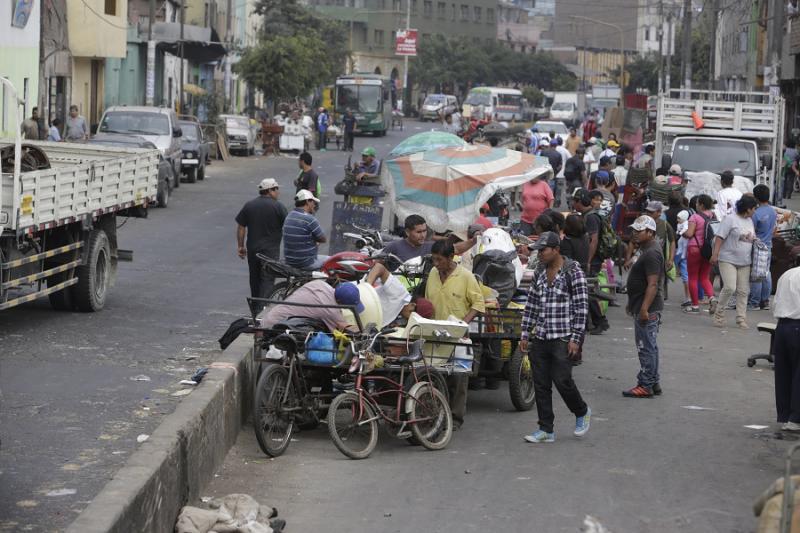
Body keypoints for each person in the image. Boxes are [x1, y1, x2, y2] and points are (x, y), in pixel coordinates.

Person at [519, 231, 590, 443]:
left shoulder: (573, 271)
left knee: (562, 380)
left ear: (556, 250)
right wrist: (525, 332)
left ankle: (581, 411)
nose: (539, 254)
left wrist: (576, 339)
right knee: (540, 383)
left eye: (543, 250)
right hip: (541, 336)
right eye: (538, 250)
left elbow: (581, 308)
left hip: (562, 337)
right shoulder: (540, 272)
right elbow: (532, 304)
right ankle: (546, 429)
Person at [425, 239, 486, 429]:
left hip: (459, 336)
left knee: (458, 379)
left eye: (439, 260)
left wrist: (462, 323)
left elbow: (478, 304)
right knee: (433, 376)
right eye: (433, 259)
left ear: (451, 258)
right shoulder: (433, 273)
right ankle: (434, 413)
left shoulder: (466, 276)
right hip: (435, 335)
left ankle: (455, 418)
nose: (436, 264)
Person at [623, 215, 664, 398]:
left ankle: (645, 384)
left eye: (639, 231)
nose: (635, 234)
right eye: (635, 230)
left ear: (650, 232)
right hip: (640, 304)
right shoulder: (645, 248)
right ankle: (652, 381)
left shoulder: (652, 253)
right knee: (649, 345)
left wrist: (644, 309)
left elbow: (653, 284)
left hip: (648, 307)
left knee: (645, 346)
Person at [235, 178, 288, 301]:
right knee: (268, 279)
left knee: (255, 279)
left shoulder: (249, 205)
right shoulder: (279, 207)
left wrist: (240, 246)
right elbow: (288, 226)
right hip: (270, 252)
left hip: (253, 250)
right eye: (276, 189)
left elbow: (241, 226)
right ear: (269, 190)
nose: (278, 192)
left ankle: (256, 306)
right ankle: (262, 309)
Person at [710, 195, 757, 329]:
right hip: (727, 259)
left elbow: (751, 236)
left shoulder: (750, 220)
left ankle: (741, 319)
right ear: (747, 209)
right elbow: (720, 237)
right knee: (730, 287)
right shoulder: (730, 219)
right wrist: (715, 254)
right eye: (754, 208)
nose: (755, 211)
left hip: (745, 261)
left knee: (743, 291)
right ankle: (719, 315)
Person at [571, 188, 609, 334]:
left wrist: (588, 260)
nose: (573, 204)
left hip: (592, 260)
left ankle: (600, 321)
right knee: (587, 291)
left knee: (588, 292)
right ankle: (591, 322)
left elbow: (594, 240)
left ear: (579, 202)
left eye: (575, 201)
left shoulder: (591, 217)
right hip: (591, 259)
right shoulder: (587, 215)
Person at [262, 280, 364, 333]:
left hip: (268, 319)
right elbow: (345, 329)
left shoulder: (319, 284)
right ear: (340, 302)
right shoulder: (331, 311)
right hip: (277, 328)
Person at [771, 266, 800, 431]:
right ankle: (796, 419)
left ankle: (786, 415)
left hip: (782, 326)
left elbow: (775, 302)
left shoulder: (787, 274)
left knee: (784, 374)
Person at [383, 214, 478, 262]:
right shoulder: (394, 247)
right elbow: (378, 265)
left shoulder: (432, 246)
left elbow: (456, 248)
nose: (423, 235)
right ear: (407, 232)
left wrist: (474, 241)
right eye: (419, 232)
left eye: (424, 231)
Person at [683, 194, 716, 314]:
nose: (696, 205)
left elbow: (690, 234)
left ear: (701, 205)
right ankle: (712, 298)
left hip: (694, 249)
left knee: (693, 277)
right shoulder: (713, 216)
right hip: (708, 250)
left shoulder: (695, 217)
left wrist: (682, 232)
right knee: (704, 277)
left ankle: (695, 306)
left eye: (697, 203)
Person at [748, 185, 777, 311]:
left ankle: (754, 302)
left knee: (756, 275)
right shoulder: (773, 211)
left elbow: (751, 231)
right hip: (768, 245)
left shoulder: (756, 213)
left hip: (758, 246)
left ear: (756, 197)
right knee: (766, 273)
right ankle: (765, 301)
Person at [283, 189, 328, 270]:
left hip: (290, 261)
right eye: (313, 202)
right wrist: (315, 241)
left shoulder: (289, 215)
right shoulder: (309, 219)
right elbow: (323, 239)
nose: (314, 205)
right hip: (306, 262)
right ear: (308, 201)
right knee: (333, 261)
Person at [674, 210, 692, 308]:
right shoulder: (680, 224)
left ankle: (688, 297)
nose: (677, 220)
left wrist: (680, 232)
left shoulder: (686, 224)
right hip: (680, 247)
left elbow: (685, 231)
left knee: (686, 277)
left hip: (684, 249)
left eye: (679, 218)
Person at [554, 137, 571, 207]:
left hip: (553, 172)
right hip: (561, 173)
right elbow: (570, 158)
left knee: (552, 187)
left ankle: (551, 200)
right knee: (559, 189)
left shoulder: (554, 149)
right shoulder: (565, 150)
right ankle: (557, 202)